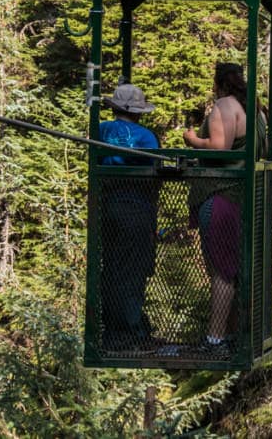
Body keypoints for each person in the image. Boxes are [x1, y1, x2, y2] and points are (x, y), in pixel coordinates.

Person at [183, 62, 253, 355]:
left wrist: (192, 140)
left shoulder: (225, 105)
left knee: (221, 271)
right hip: (237, 198)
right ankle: (228, 335)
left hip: (219, 195)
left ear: (219, 82)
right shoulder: (251, 109)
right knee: (229, 269)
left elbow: (219, 146)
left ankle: (215, 339)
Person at [98, 83, 160, 352]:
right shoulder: (146, 138)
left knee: (112, 267)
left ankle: (113, 329)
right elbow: (155, 170)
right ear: (138, 112)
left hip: (107, 207)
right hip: (135, 208)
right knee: (133, 271)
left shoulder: (100, 130)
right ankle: (130, 332)